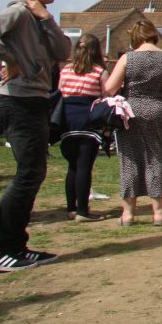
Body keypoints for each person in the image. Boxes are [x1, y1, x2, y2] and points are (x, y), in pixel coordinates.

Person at [0, 0, 72, 272]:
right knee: (28, 174)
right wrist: (12, 59)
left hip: (36, 99)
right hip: (18, 100)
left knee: (34, 173)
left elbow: (63, 51)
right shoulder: (18, 11)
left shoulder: (38, 17)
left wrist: (48, 19)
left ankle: (15, 245)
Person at [104, 20, 162, 226]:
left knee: (130, 159)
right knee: (156, 158)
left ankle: (128, 214)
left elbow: (110, 88)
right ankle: (159, 212)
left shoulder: (127, 58)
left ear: (135, 37)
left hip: (131, 112)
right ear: (153, 35)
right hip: (157, 110)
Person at [58, 34, 111, 222]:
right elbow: (107, 94)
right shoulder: (99, 71)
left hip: (67, 120)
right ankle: (83, 211)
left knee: (72, 166)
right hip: (89, 119)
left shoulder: (65, 70)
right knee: (84, 166)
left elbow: (61, 91)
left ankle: (71, 208)